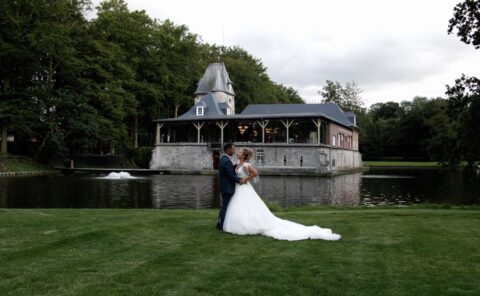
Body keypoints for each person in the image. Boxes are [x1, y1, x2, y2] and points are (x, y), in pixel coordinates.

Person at [223, 148, 341, 241]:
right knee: (241, 207)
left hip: (244, 187)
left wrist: (246, 179)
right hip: (238, 188)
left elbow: (255, 173)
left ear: (244, 155)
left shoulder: (246, 165)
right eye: (238, 151)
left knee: (247, 206)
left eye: (240, 152)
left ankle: (249, 225)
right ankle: (242, 223)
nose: (238, 152)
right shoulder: (237, 164)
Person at [217, 143, 247, 230]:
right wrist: (240, 180)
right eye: (233, 149)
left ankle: (220, 223)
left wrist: (235, 166)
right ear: (228, 149)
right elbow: (230, 175)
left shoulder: (224, 158)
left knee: (224, 206)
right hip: (227, 187)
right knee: (225, 206)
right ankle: (221, 224)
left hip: (224, 186)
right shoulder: (226, 160)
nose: (234, 151)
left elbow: (228, 170)